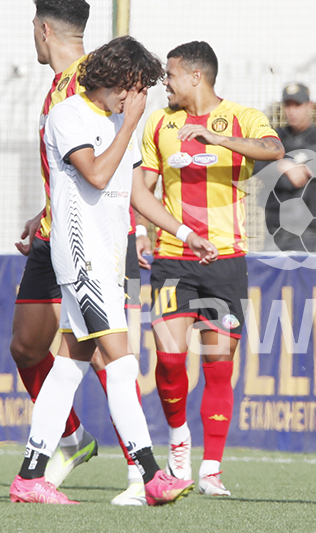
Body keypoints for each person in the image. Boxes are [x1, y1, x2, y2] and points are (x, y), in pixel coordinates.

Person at [10, 35, 218, 506]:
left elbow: (136, 193)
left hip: (108, 256)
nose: (139, 96)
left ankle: (29, 477)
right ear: (121, 82)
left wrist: (185, 234)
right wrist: (130, 126)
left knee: (68, 366)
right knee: (122, 363)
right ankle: (148, 476)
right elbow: (97, 174)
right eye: (137, 86)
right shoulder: (70, 115)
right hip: (80, 257)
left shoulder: (117, 118)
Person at [12, 0, 147, 506]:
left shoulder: (86, 84)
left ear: (43, 29)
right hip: (53, 235)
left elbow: (105, 170)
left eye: (31, 28)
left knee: (104, 352)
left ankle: (143, 472)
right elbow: (71, 168)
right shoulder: (62, 82)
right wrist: (43, 209)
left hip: (95, 243)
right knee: (28, 348)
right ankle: (70, 440)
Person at [137, 40, 284, 496]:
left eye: (171, 75)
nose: (166, 83)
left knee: (219, 367)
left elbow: (273, 150)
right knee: (168, 357)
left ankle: (211, 470)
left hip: (225, 260)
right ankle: (179, 442)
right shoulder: (160, 122)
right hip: (172, 257)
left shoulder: (242, 117)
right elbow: (142, 187)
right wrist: (142, 230)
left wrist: (218, 139)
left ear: (196, 77)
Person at [255, 82, 316, 252]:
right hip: (275, 228)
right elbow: (255, 165)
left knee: (304, 278)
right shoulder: (275, 137)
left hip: (308, 232)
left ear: (310, 106)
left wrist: (273, 165)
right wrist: (284, 165)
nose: (292, 111)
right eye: (288, 105)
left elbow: (293, 181)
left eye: (297, 105)